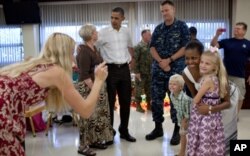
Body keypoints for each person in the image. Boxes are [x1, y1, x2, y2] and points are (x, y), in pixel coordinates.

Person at [0, 32, 108, 156]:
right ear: (64, 53)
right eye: (72, 52)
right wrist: (99, 80)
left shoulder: (36, 65)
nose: (73, 58)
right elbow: (85, 111)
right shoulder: (57, 72)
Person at [145, 0, 190, 145]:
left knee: (175, 101)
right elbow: (152, 48)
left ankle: (177, 131)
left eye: (166, 10)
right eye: (162, 11)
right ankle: (158, 128)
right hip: (158, 70)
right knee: (156, 101)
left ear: (173, 10)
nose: (164, 13)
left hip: (175, 70)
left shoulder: (182, 26)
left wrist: (169, 60)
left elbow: (185, 47)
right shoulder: (158, 28)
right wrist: (161, 62)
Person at [183, 41, 238, 155]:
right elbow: (196, 97)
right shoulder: (186, 73)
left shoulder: (216, 72)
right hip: (209, 100)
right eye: (187, 58)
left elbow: (227, 102)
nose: (190, 62)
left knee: (224, 131)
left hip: (226, 98)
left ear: (202, 55)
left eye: (194, 58)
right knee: (205, 134)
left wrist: (210, 109)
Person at [96, 7, 136, 142]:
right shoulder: (103, 32)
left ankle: (124, 130)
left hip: (124, 69)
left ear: (123, 19)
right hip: (110, 70)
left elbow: (131, 46)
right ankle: (109, 133)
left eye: (116, 18)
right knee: (110, 102)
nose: (113, 20)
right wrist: (100, 64)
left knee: (126, 102)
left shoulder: (126, 31)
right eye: (111, 17)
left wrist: (133, 61)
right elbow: (94, 48)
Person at [76, 24, 113, 156]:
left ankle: (93, 140)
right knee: (87, 116)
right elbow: (84, 75)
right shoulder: (84, 51)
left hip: (97, 84)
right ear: (91, 34)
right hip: (88, 87)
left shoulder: (94, 48)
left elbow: (99, 65)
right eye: (95, 32)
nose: (97, 33)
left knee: (96, 117)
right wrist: (95, 91)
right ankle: (82, 145)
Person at [211, 22, 250, 115]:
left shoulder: (248, 44)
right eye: (235, 28)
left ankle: (235, 116)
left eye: (238, 29)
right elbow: (213, 47)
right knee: (222, 95)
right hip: (225, 74)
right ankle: (222, 114)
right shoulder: (227, 41)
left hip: (239, 75)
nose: (235, 30)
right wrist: (217, 35)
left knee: (240, 97)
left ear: (244, 31)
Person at [168, 74, 192, 156]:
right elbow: (177, 108)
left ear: (181, 87)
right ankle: (182, 152)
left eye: (174, 84)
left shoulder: (185, 98)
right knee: (182, 134)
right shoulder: (171, 95)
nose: (171, 86)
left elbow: (188, 112)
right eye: (170, 84)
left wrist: (185, 121)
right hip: (181, 118)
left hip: (190, 119)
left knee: (190, 135)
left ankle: (187, 152)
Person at [134, 29, 152, 112]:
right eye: (149, 34)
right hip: (141, 72)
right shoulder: (138, 46)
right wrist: (136, 72)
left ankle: (149, 105)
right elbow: (135, 60)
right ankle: (138, 106)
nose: (150, 36)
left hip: (149, 72)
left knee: (149, 89)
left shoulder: (150, 46)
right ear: (143, 35)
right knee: (139, 90)